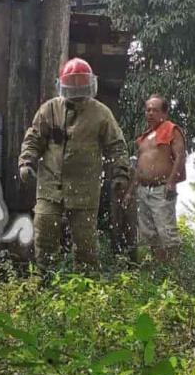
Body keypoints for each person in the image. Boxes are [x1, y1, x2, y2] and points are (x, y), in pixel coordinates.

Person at [18, 58, 130, 269]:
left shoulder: (101, 114)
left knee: (86, 246)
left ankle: (85, 290)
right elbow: (33, 138)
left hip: (84, 190)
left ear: (90, 84)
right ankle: (44, 283)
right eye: (73, 83)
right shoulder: (49, 109)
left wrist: (121, 173)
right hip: (50, 186)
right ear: (63, 85)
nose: (77, 88)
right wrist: (27, 162)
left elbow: (117, 146)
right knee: (44, 238)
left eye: (81, 83)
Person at [123, 95, 186, 263]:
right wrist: (130, 192)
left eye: (155, 110)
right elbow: (139, 168)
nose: (150, 113)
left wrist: (171, 182)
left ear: (163, 114)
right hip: (143, 190)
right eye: (148, 110)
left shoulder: (171, 129)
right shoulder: (144, 138)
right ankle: (159, 270)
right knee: (149, 233)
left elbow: (180, 156)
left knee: (167, 233)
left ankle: (175, 273)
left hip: (161, 188)